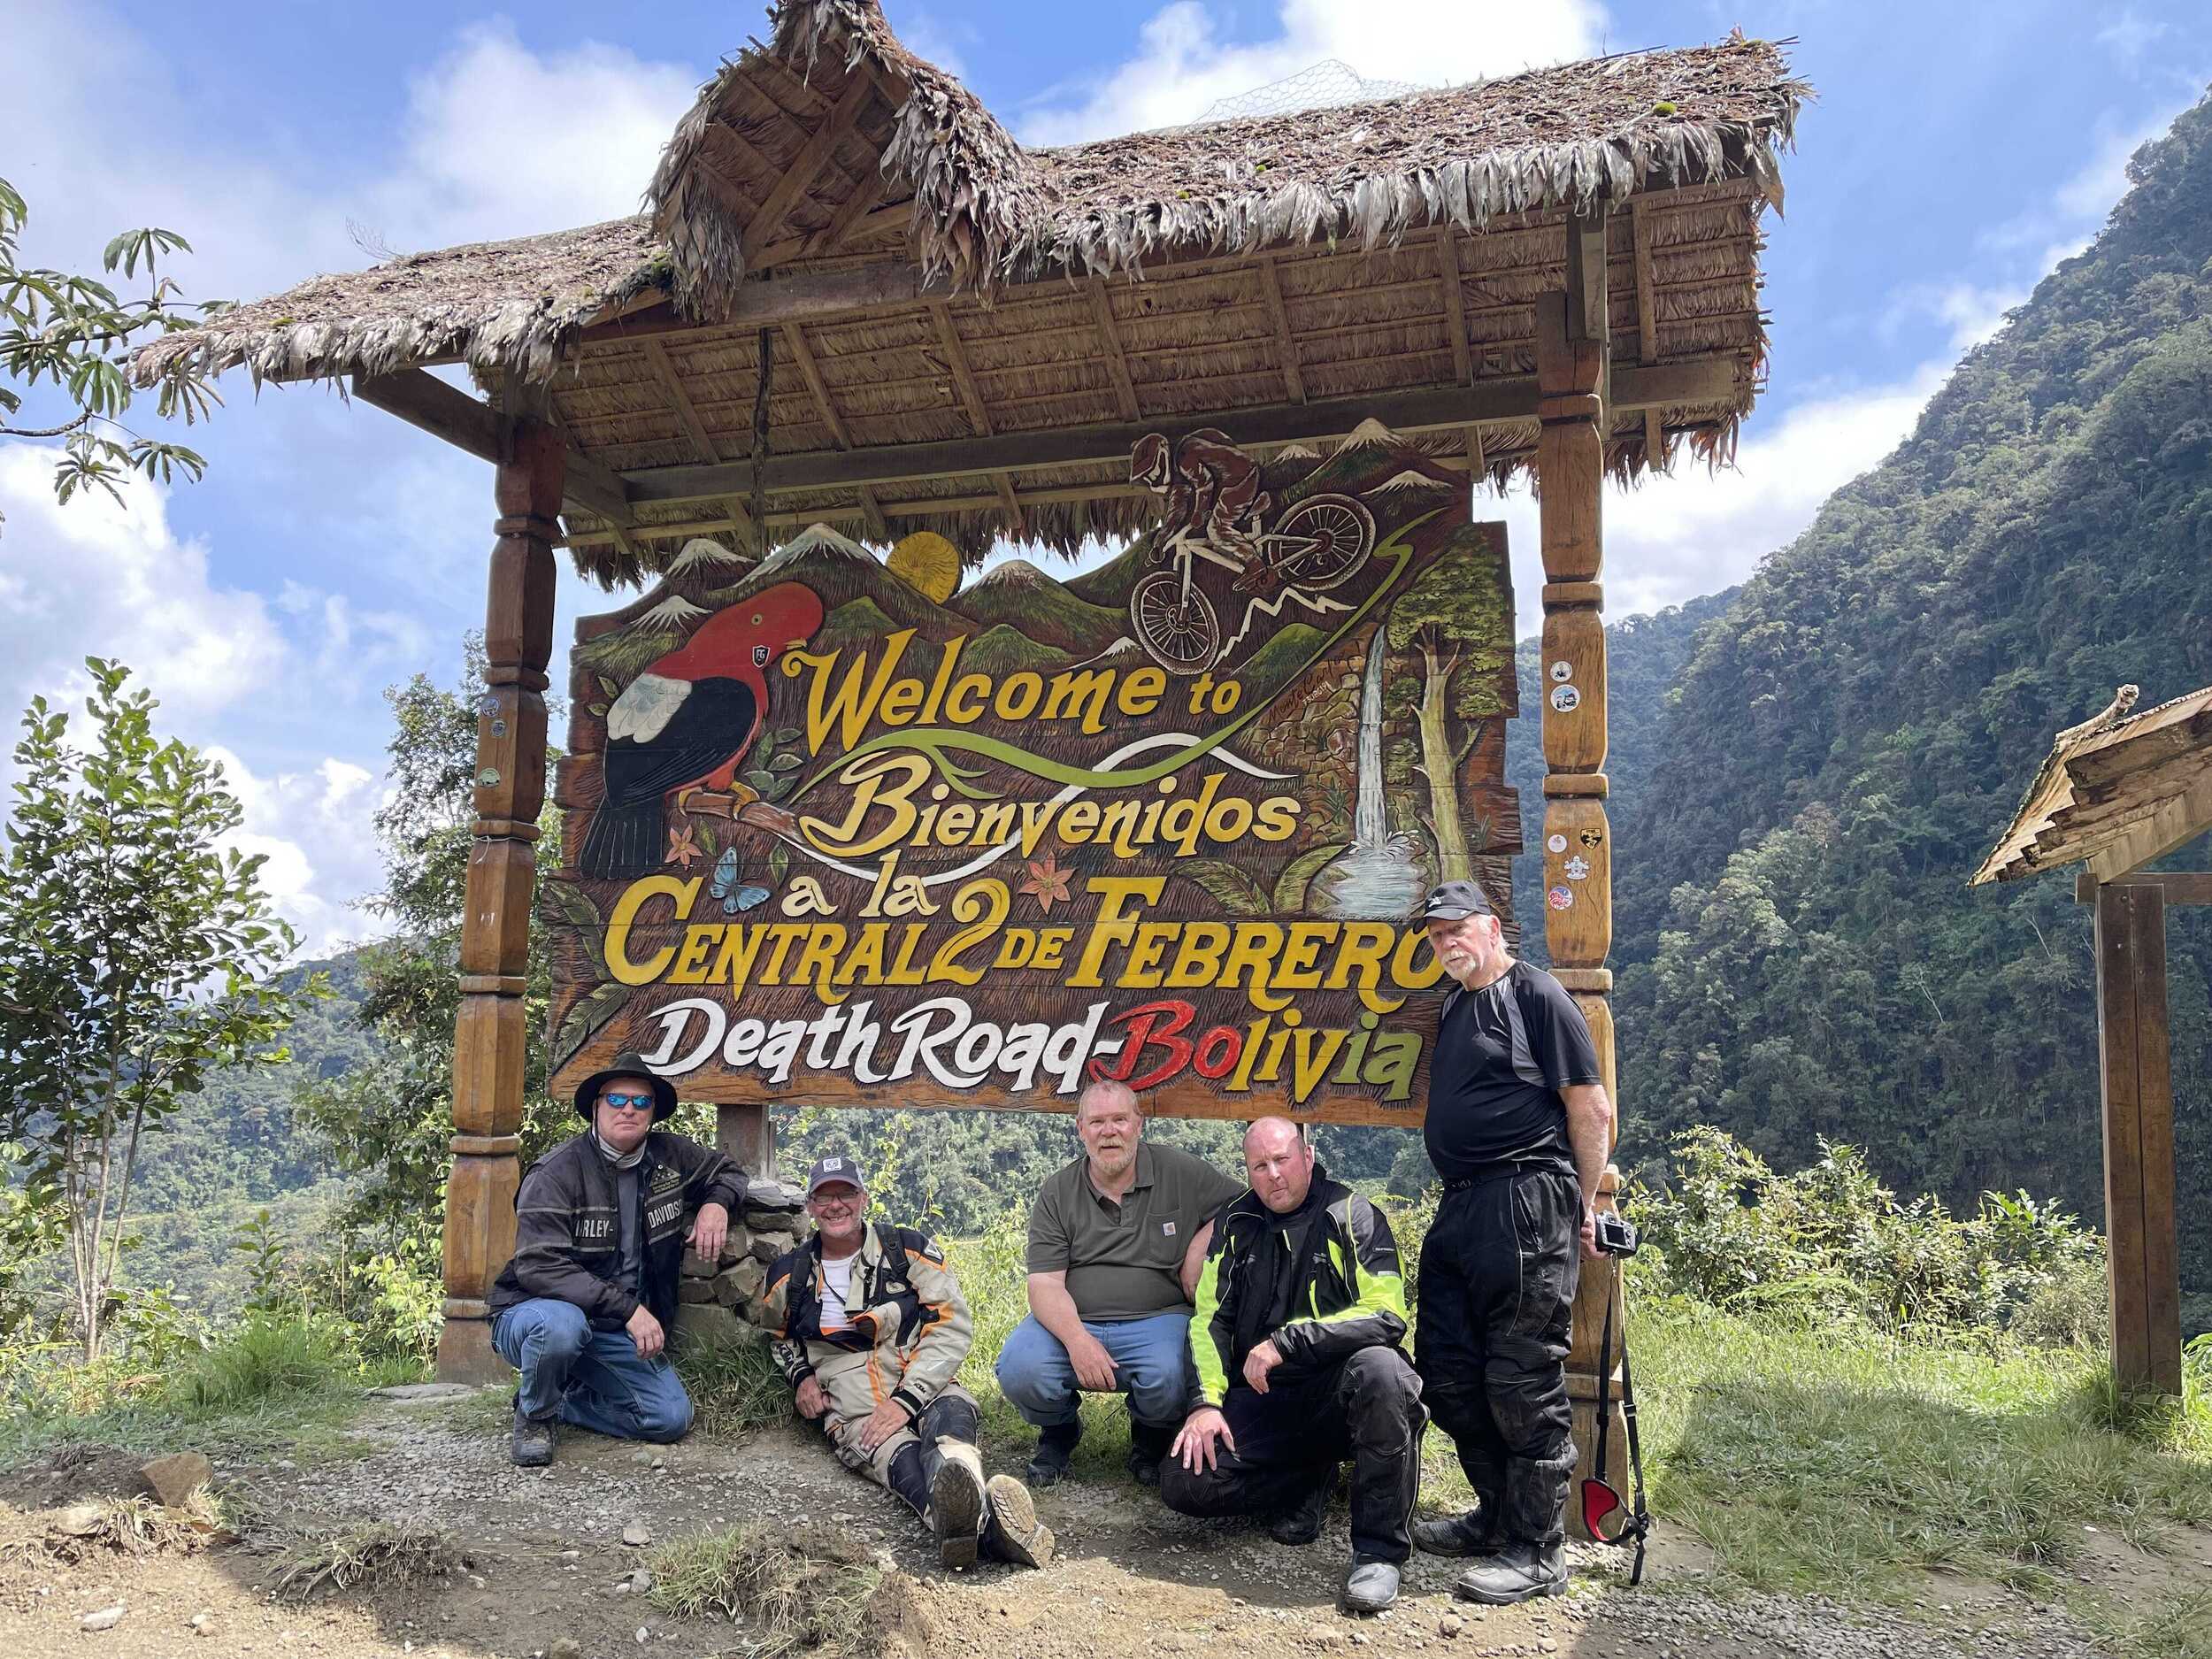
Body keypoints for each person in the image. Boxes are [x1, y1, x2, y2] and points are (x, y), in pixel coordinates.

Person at [1408, 881, 1615, 1603]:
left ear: (1492, 927)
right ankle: (1495, 1517)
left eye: (1456, 929)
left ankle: (1539, 1548)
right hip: (1462, 1204)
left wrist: (1579, 1203)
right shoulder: (1458, 1004)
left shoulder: (1537, 995)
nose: (1445, 943)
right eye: (1435, 936)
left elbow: (1590, 1106)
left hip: (1526, 1197)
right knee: (1446, 1366)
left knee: (1523, 1374)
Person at [1161, 1118, 1422, 1615]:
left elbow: (1386, 1315)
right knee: (1184, 1479)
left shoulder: (1354, 1214)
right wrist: (1205, 1405)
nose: (1272, 1174)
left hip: (1339, 1393)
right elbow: (1210, 1321)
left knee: (1384, 1372)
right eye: (1259, 1165)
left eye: (1282, 1159)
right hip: (1264, 1395)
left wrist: (1291, 1340)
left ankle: (1379, 1552)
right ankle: (1307, 1478)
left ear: (1307, 1154)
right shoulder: (1235, 1222)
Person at [761, 1156, 1054, 1571]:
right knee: (902, 1463)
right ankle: (993, 1529)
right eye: (824, 1196)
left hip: (924, 1381)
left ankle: (962, 1495)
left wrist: (906, 1401)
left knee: (951, 1433)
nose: (835, 1205)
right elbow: (777, 1336)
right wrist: (802, 1378)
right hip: (855, 1408)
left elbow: (950, 1326)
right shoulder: (788, 1275)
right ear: (809, 1206)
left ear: (863, 1198)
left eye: (845, 1193)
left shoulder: (906, 1249)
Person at [487, 1051, 745, 1467]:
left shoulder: (670, 1156)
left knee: (670, 1418)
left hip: (612, 1330)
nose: (629, 1109)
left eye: (641, 1102)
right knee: (561, 1326)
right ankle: (535, 1416)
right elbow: (539, 1266)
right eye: (617, 1099)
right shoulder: (555, 1173)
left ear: (653, 1113)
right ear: (596, 1106)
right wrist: (629, 1309)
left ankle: (560, 1400)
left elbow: (730, 1173)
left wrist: (717, 1204)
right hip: (533, 1315)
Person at [995, 1079, 1244, 1487]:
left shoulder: (1180, 1171)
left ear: (1139, 1124)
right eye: (1096, 1122)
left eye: (1119, 1120)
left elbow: (1243, 1204)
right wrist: (1077, 1340)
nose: (1108, 1131)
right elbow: (1044, 1286)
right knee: (1020, 1368)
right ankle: (1059, 1432)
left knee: (1176, 1372)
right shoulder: (1058, 1191)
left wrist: (1202, 1242)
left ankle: (1148, 1438)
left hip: (1160, 1317)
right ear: (1080, 1129)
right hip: (1075, 1321)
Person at [1130, 428, 1277, 592]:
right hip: (1230, 485)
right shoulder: (1179, 473)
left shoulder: (1185, 455)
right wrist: (1160, 542)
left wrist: (1199, 513)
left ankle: (1254, 563)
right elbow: (1176, 511)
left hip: (1239, 479)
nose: (1153, 478)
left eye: (1152, 471)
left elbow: (1205, 485)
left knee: (1217, 529)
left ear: (1162, 455)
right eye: (1148, 477)